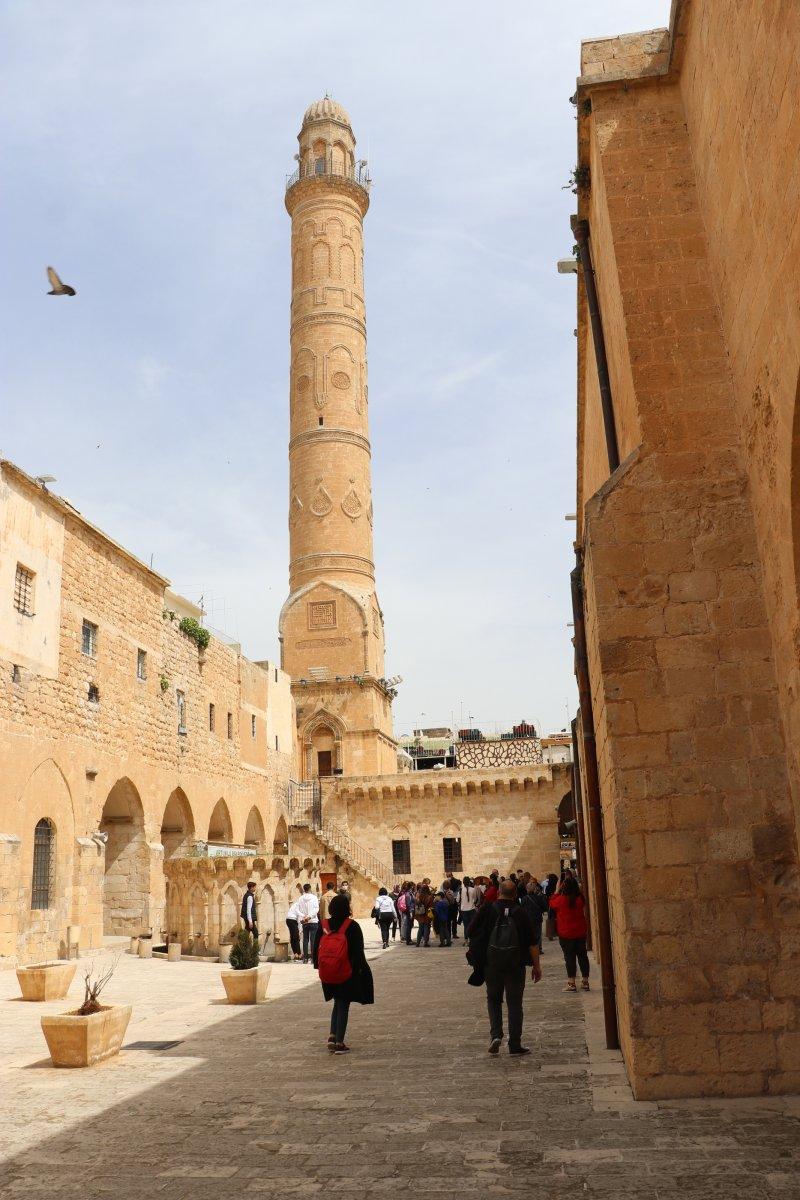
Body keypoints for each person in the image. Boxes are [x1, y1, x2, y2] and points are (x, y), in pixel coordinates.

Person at [467, 878, 541, 1055]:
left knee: (493, 1000)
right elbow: (532, 943)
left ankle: (496, 1036)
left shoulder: (487, 909)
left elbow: (470, 930)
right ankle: (515, 1044)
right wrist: (536, 966)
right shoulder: (521, 912)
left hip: (491, 964)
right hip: (515, 965)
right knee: (515, 1003)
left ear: (499, 892)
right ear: (515, 894)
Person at [313, 892, 374, 1053]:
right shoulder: (351, 926)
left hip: (327, 971)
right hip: (346, 971)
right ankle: (339, 1042)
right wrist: (362, 970)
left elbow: (315, 948)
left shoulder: (324, 925)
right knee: (343, 1004)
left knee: (337, 1001)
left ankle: (333, 1036)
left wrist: (318, 966)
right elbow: (358, 951)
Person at [549, 875, 590, 991]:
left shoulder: (561, 900)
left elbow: (551, 903)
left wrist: (557, 890)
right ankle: (585, 981)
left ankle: (571, 983)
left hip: (566, 933)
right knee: (583, 956)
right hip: (580, 932)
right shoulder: (580, 899)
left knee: (569, 958)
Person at [296, 883, 320, 963]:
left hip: (304, 921)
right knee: (313, 940)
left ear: (304, 889)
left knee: (305, 940)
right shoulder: (314, 897)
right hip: (313, 920)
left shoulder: (300, 898)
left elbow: (298, 910)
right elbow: (316, 909)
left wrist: (304, 916)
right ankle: (313, 958)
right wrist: (309, 917)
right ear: (310, 889)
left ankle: (305, 958)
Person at [459, 876, 478, 942]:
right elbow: (475, 899)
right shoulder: (473, 889)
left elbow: (458, 900)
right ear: (469, 882)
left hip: (464, 910)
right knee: (472, 925)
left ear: (463, 883)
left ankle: (466, 940)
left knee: (466, 926)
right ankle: (472, 939)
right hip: (472, 909)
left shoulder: (461, 890)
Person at [286, 896, 302, 961]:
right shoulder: (299, 905)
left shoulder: (296, 904)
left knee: (293, 937)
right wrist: (300, 932)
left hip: (289, 920)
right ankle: (299, 954)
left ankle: (296, 954)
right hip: (292, 920)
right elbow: (299, 920)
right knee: (296, 938)